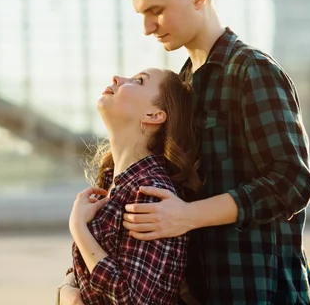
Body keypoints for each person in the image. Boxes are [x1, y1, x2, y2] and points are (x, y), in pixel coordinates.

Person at [120, 0, 310, 304]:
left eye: (157, 10)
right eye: (141, 14)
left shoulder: (251, 70)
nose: (148, 28)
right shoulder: (181, 83)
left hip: (259, 292)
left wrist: (189, 216)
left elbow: (292, 181)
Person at [57, 68, 202, 305]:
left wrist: (78, 229)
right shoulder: (111, 183)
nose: (116, 78)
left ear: (154, 115)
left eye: (138, 81)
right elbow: (84, 274)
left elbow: (132, 299)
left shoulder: (149, 192)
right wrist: (65, 291)